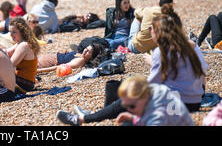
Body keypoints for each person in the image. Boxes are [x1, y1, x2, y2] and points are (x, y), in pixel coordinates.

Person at [56, 12, 207, 126]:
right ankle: (103, 114)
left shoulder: (161, 51)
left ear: (159, 32)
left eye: (151, 28)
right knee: (115, 85)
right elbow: (201, 76)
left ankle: (84, 118)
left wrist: (150, 65)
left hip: (177, 102)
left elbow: (152, 84)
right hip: (195, 100)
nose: (148, 30)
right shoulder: (191, 47)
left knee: (129, 92)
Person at [57, 75, 194, 126]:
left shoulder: (157, 116)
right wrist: (133, 117)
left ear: (144, 96)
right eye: (126, 105)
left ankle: (83, 118)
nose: (128, 108)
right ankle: (86, 117)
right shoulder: (156, 90)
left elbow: (156, 118)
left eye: (132, 106)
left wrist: (135, 119)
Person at [6, 18, 40, 93]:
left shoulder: (24, 45)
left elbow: (9, 65)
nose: (11, 35)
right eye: (10, 32)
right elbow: (6, 52)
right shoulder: (22, 43)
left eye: (14, 32)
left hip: (23, 84)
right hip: (26, 82)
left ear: (22, 32)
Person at [37, 44, 103, 74]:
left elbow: (58, 67)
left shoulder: (80, 61)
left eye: (88, 51)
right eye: (86, 48)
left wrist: (39, 71)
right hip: (49, 57)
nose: (85, 51)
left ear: (92, 56)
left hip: (48, 62)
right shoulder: (82, 56)